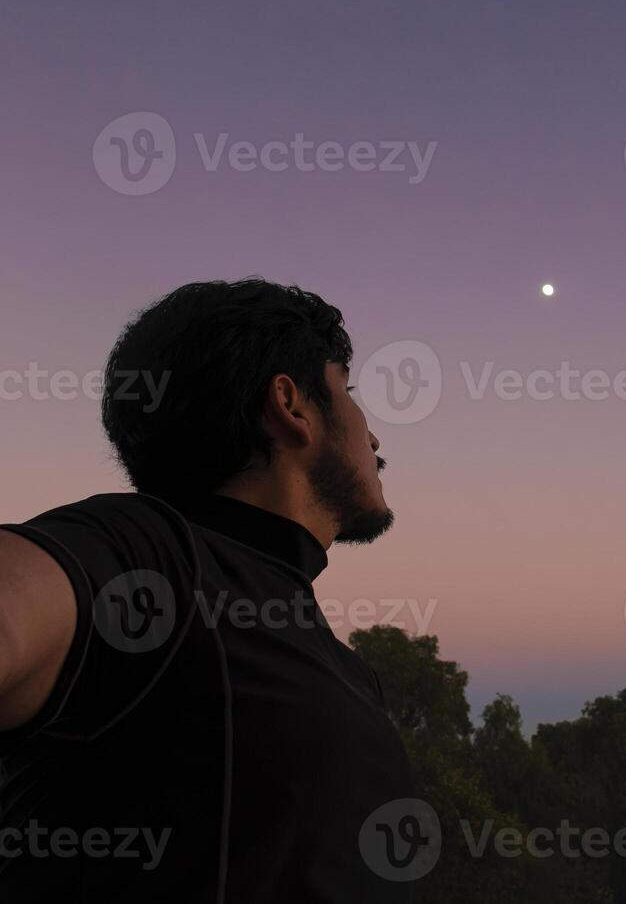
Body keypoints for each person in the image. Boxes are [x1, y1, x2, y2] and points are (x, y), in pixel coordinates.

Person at [0, 279, 418, 902]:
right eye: (349, 390)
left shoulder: (345, 667)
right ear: (291, 404)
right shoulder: (146, 553)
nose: (374, 436)